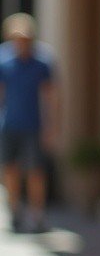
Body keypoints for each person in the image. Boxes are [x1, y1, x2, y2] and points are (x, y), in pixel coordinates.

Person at [0, 13, 60, 234]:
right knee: (10, 169)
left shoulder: (42, 61)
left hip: (33, 124)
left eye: (25, 38)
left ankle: (37, 214)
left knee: (36, 171)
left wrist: (51, 126)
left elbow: (50, 95)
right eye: (16, 38)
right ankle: (15, 212)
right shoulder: (4, 60)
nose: (21, 43)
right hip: (9, 124)